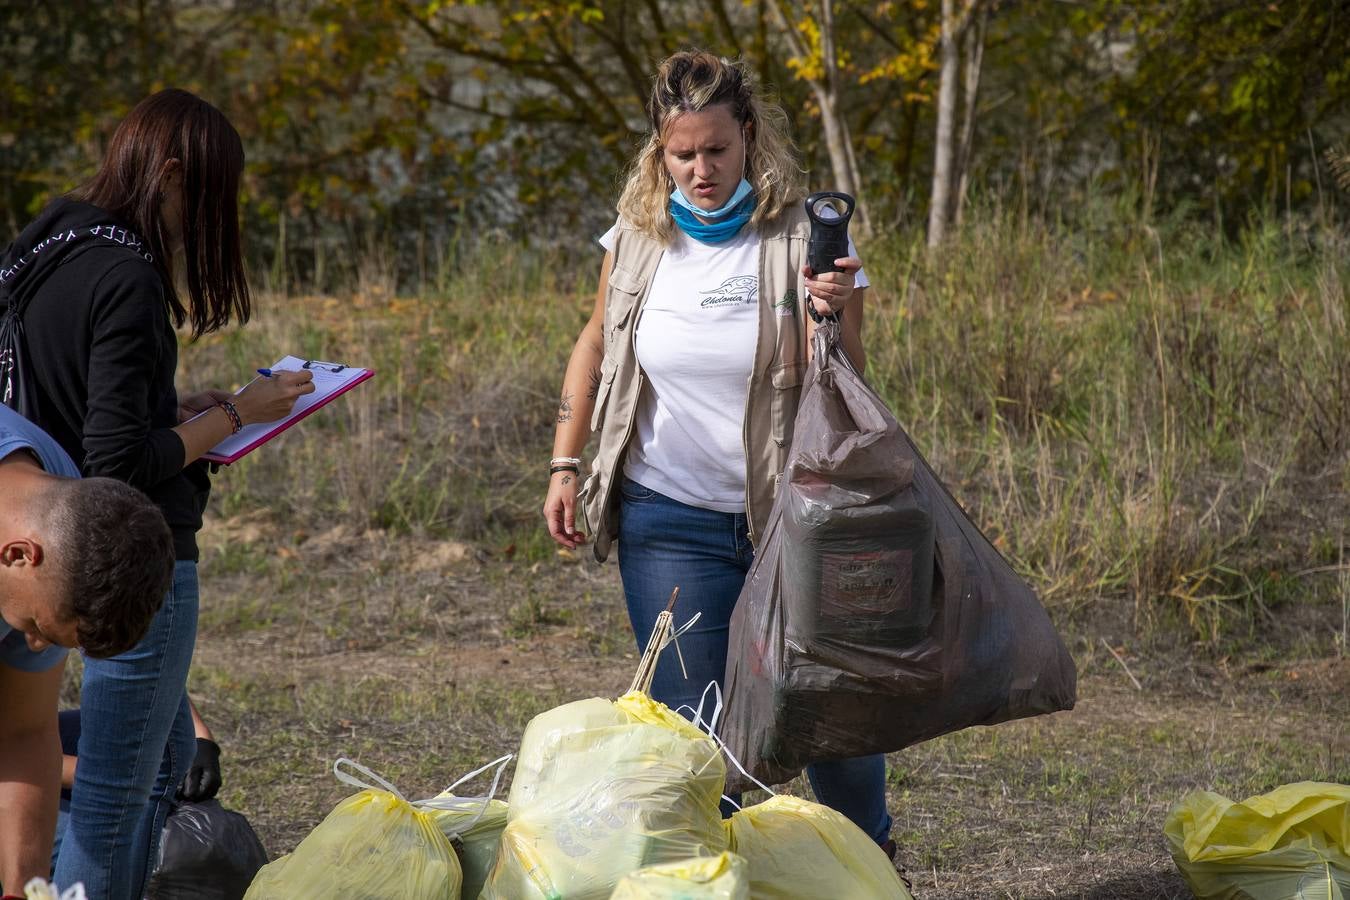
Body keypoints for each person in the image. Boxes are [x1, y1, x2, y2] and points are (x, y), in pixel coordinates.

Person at [542, 51, 893, 854]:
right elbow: (596, 343)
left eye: (717, 150)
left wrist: (826, 315)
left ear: (749, 138)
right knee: (698, 739)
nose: (701, 170)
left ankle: (867, 860)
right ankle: (722, 868)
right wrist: (567, 463)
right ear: (658, 152)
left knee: (829, 715)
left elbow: (849, 387)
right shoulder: (636, 235)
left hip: (794, 518)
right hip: (669, 521)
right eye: (682, 154)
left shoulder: (811, 236)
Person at [0, 89, 315, 899]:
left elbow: (76, 405)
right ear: (170, 175)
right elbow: (120, 462)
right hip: (126, 550)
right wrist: (244, 410)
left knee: (161, 758)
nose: (207, 218)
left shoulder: (54, 241)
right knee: (118, 788)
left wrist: (173, 409)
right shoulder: (128, 276)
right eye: (207, 195)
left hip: (55, 526)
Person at [0, 402, 175, 894]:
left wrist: (23, 889)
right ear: (19, 555)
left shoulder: (61, 503)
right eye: (36, 626)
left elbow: (24, 734)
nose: (29, 645)